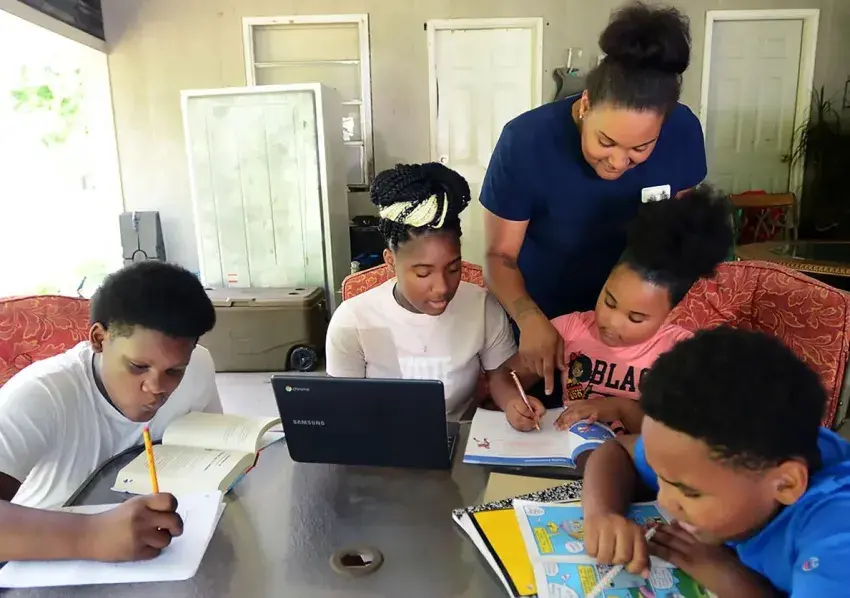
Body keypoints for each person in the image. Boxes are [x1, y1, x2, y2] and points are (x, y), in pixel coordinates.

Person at [481, 2, 706, 403]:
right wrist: (530, 319)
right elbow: (500, 257)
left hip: (639, 333)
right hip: (548, 325)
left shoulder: (684, 132)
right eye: (606, 141)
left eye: (641, 148)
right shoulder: (526, 142)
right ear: (585, 105)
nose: (618, 161)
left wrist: (652, 321)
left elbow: (679, 240)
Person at [581, 327, 850, 597]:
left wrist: (733, 581)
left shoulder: (836, 540)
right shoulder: (723, 449)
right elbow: (617, 450)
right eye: (660, 477)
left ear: (786, 484)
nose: (665, 500)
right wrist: (602, 513)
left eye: (691, 492)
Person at [0, 261, 220, 562]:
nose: (156, 387)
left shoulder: (198, 368)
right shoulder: (41, 395)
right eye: (138, 366)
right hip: (38, 565)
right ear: (99, 339)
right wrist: (90, 535)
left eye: (174, 371)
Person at [501, 186, 732, 433]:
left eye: (636, 318)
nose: (611, 322)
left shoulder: (682, 354)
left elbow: (684, 435)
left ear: (670, 313)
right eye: (609, 301)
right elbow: (504, 375)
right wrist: (513, 402)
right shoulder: (570, 329)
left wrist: (620, 409)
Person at [325, 163, 521, 419]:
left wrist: (514, 404)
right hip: (379, 438)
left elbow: (500, 378)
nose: (442, 288)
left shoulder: (481, 307)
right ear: (391, 261)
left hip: (460, 437)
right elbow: (344, 409)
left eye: (453, 268)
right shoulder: (352, 321)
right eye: (423, 273)